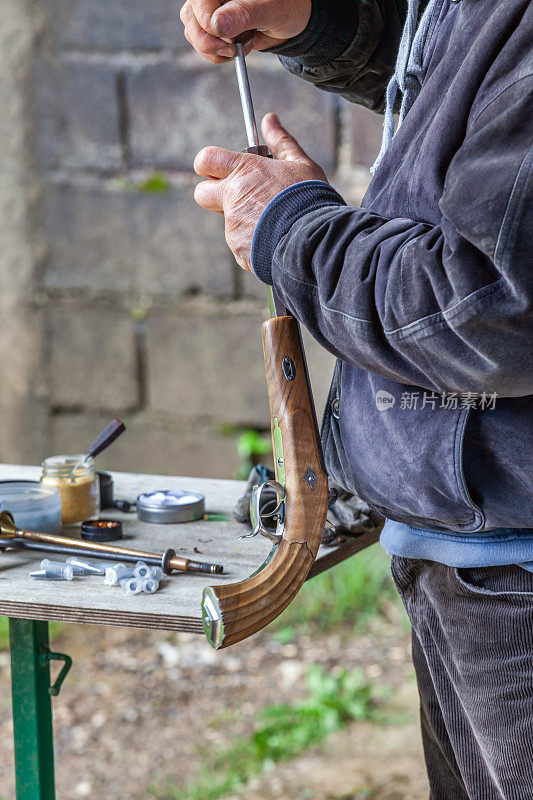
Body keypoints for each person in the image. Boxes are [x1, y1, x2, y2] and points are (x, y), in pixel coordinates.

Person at [180, 1, 533, 797]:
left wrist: (293, 230)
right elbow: (477, 99)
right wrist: (320, 21)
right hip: (471, 555)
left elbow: (492, 304)